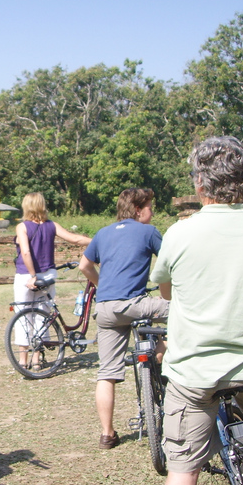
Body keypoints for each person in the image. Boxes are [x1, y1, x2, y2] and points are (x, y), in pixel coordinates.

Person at [150, 137, 243, 485]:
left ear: (199, 183)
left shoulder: (180, 233)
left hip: (195, 373)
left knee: (184, 472)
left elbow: (166, 291)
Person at [78, 188, 169, 450]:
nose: (153, 212)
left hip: (106, 308)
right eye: (150, 207)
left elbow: (84, 266)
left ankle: (107, 435)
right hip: (136, 304)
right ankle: (161, 351)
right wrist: (167, 300)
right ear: (138, 210)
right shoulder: (149, 232)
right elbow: (165, 267)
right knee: (185, 314)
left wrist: (102, 284)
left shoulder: (103, 233)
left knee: (106, 372)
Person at [13, 192, 91, 369]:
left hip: (26, 275)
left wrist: (33, 275)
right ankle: (37, 359)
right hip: (48, 275)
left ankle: (23, 360)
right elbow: (76, 239)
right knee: (44, 315)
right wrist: (98, 241)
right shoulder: (52, 226)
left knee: (22, 316)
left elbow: (25, 252)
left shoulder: (22, 227)